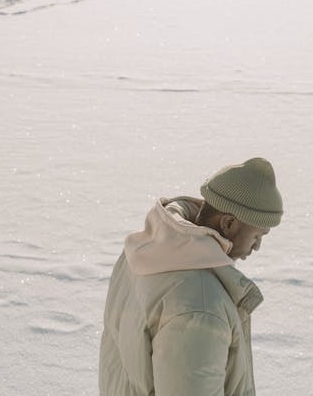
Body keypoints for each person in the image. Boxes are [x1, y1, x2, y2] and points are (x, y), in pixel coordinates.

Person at [99, 157, 283, 396]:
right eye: (257, 236)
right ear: (228, 223)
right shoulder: (201, 307)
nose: (257, 247)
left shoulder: (147, 249)